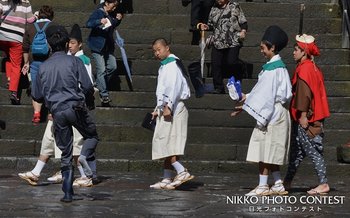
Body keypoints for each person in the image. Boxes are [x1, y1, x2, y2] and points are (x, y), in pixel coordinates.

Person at [31, 24, 98, 202]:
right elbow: (87, 86)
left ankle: (67, 192)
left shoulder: (43, 67)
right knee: (91, 136)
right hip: (76, 108)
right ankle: (83, 157)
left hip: (57, 112)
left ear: (49, 44)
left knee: (65, 153)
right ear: (68, 43)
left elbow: (37, 95)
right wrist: (88, 102)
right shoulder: (75, 61)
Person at [232, 25, 291, 196]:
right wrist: (246, 97)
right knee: (271, 149)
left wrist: (246, 104)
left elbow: (266, 96)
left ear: (272, 48)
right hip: (276, 111)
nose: (261, 51)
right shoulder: (276, 67)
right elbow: (262, 92)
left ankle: (263, 185)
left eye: (263, 48)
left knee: (264, 149)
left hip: (271, 113)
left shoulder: (273, 70)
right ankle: (278, 183)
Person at [284, 34, 330, 195]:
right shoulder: (311, 67)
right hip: (308, 116)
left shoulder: (305, 69)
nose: (293, 52)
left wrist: (303, 116)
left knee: (313, 150)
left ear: (304, 52)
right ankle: (287, 182)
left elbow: (304, 95)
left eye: (296, 49)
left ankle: (323, 183)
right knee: (297, 151)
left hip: (308, 118)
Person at [149, 38, 194, 190]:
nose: (157, 53)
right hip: (167, 107)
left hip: (174, 108)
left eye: (159, 49)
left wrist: (168, 106)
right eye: (154, 51)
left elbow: (174, 87)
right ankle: (167, 177)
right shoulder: (165, 66)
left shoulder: (172, 65)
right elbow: (163, 89)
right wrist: (158, 108)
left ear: (167, 48)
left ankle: (181, 171)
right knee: (165, 142)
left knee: (170, 143)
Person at [199, 0, 247, 94]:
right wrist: (206, 27)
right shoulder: (214, 8)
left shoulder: (234, 5)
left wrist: (243, 31)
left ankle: (239, 72)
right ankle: (218, 87)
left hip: (233, 39)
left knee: (231, 62)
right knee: (215, 63)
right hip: (218, 40)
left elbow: (242, 20)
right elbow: (211, 24)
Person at [21, 5, 54, 124]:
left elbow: (25, 48)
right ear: (51, 16)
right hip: (49, 62)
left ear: (39, 15)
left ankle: (36, 114)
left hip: (34, 61)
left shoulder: (30, 27)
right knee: (50, 87)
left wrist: (26, 63)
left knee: (35, 87)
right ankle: (51, 112)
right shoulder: (53, 27)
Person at [86, 0, 123, 107]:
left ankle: (98, 83)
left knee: (113, 67)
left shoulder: (111, 13)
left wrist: (118, 20)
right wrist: (99, 21)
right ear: (106, 3)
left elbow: (112, 25)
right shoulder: (98, 12)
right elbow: (88, 24)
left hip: (108, 46)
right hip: (97, 46)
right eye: (113, 5)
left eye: (116, 6)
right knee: (101, 69)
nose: (115, 8)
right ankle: (104, 94)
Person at [0, 0, 36, 105]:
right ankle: (14, 93)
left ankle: (9, 78)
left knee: (8, 57)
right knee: (16, 65)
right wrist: (37, 16)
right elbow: (30, 20)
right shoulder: (25, 2)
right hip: (16, 39)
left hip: (2, 37)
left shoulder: (3, 0)